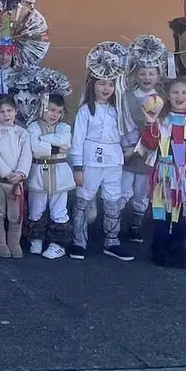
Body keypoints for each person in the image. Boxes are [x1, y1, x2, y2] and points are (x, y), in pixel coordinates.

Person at [137, 79, 186, 268]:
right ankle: (159, 250)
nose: (179, 96)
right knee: (162, 214)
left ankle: (177, 251)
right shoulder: (160, 118)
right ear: (167, 96)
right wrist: (150, 124)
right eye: (175, 92)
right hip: (164, 174)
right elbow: (149, 144)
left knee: (181, 216)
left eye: (184, 92)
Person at [69, 42, 134, 262]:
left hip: (113, 162)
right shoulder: (86, 111)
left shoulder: (118, 110)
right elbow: (76, 140)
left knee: (113, 199)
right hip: (90, 162)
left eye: (110, 84)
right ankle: (78, 241)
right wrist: (77, 167)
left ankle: (112, 241)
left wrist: (130, 147)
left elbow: (127, 134)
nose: (106, 88)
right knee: (83, 198)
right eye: (101, 84)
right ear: (92, 85)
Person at [120, 35, 170, 245]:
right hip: (127, 149)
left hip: (149, 152)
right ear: (135, 75)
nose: (147, 77)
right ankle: (114, 224)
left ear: (158, 75)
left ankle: (136, 225)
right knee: (122, 191)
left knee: (142, 193)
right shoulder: (126, 96)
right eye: (142, 73)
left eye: (151, 73)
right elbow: (122, 123)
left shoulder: (163, 100)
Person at [25, 94, 74, 259]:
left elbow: (65, 141)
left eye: (58, 112)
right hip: (38, 172)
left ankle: (57, 244)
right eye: (51, 110)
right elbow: (34, 147)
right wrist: (55, 148)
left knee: (59, 208)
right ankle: (36, 239)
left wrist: (44, 140)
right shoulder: (33, 127)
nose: (54, 115)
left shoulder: (64, 127)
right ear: (42, 108)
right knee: (36, 207)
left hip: (59, 173)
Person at [0, 95, 31, 258]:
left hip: (16, 182)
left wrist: (20, 173)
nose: (6, 115)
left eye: (9, 111)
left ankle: (14, 243)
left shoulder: (22, 133)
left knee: (16, 215)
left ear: (16, 111)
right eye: (2, 112)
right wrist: (6, 173)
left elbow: (26, 155)